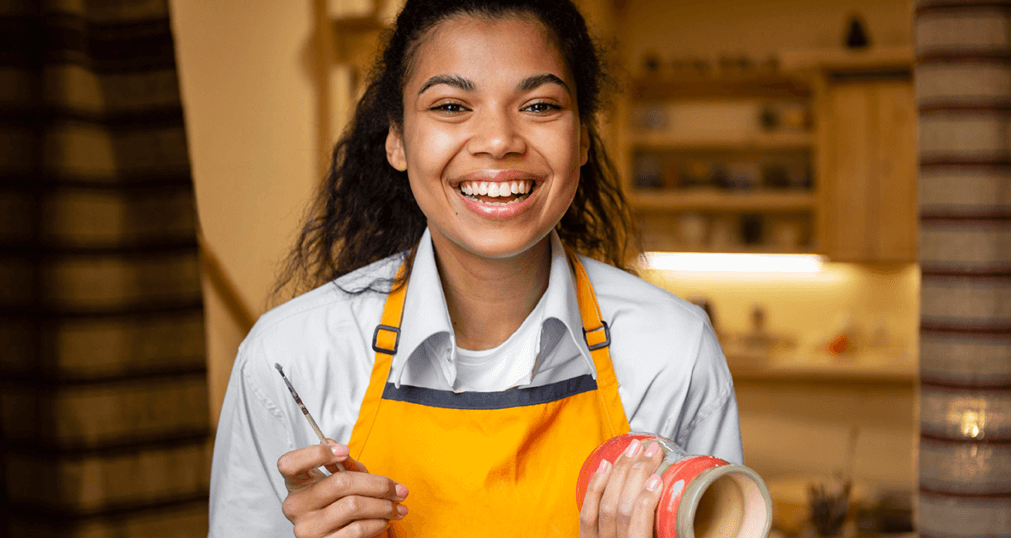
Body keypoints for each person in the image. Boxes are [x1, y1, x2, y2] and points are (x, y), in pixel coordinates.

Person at [208, 0, 742, 536]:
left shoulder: (673, 352)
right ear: (396, 139)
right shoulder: (289, 357)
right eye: (449, 106)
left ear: (582, 138)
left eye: (538, 106)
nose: (498, 141)